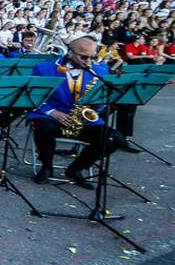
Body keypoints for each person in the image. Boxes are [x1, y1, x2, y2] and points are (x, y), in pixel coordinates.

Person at [27, 35, 125, 187]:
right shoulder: (44, 68)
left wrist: (98, 106)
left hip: (83, 120)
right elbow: (31, 97)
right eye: (84, 57)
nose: (88, 62)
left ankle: (76, 168)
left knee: (115, 139)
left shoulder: (100, 71)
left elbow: (103, 102)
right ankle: (47, 166)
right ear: (70, 52)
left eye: (92, 57)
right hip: (52, 117)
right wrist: (52, 112)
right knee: (43, 128)